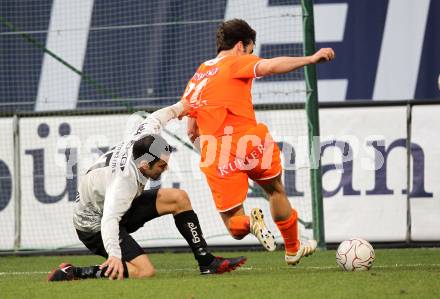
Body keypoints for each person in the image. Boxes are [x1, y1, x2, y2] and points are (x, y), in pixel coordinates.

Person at [181, 19, 335, 265]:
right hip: (252, 141)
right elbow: (270, 67)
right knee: (276, 191)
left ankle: (251, 223)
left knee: (235, 226)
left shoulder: (198, 75)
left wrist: (210, 154)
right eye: (252, 49)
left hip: (217, 149)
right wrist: (309, 59)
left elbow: (191, 130)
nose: (252, 54)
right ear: (242, 46)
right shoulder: (237, 61)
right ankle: (292, 248)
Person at [48, 101, 246, 281]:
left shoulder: (144, 138)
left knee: (179, 198)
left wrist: (183, 106)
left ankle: (207, 262)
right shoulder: (124, 182)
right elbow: (109, 219)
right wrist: (115, 255)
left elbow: (156, 117)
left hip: (116, 208)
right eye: (161, 166)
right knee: (144, 271)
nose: (165, 169)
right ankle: (75, 273)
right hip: (95, 227)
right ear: (144, 165)